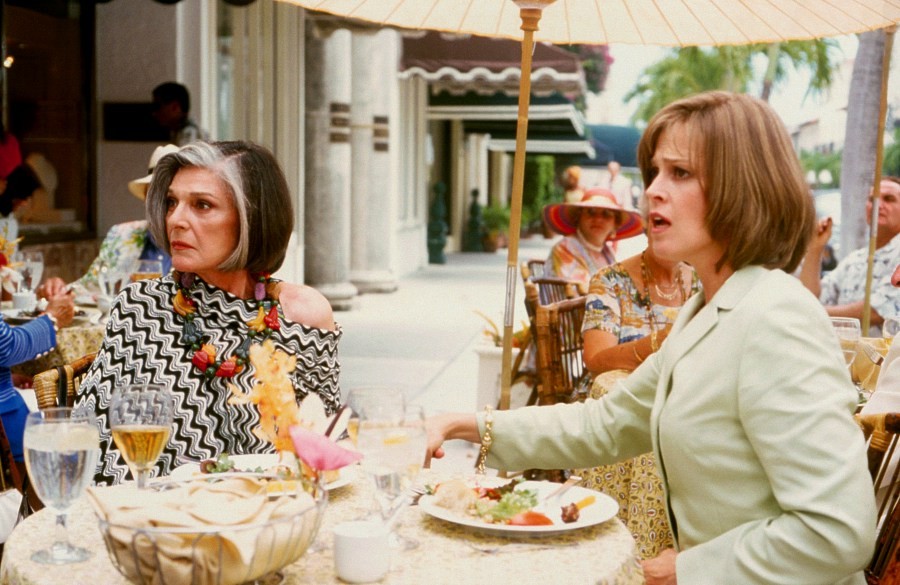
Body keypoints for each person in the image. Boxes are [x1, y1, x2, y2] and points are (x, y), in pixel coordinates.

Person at [426, 91, 875, 584]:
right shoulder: (705, 310)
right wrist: (466, 424)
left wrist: (692, 568)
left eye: (679, 173)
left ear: (742, 188)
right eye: (654, 172)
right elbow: (605, 424)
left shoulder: (776, 317)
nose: (652, 191)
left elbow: (838, 532)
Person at [75, 140, 341, 486]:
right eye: (172, 202)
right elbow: (94, 445)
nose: (175, 219)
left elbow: (328, 445)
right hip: (163, 511)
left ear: (252, 218)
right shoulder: (141, 307)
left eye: (202, 205)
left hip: (273, 508)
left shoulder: (303, 316)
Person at [578, 235, 701, 559]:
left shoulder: (703, 282)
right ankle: (634, 554)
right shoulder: (610, 280)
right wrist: (658, 343)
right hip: (623, 405)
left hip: (688, 404)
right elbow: (595, 359)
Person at [39, 145, 179, 300]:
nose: (159, 204)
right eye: (154, 194)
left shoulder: (194, 245)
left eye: (170, 199)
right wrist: (58, 289)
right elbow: (88, 288)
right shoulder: (122, 235)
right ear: (145, 198)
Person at [801, 178, 900, 336]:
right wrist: (815, 248)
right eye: (872, 199)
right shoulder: (855, 259)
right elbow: (809, 297)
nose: (878, 205)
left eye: (889, 199)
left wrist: (810, 311)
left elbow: (877, 311)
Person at [542, 187, 642, 286]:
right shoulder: (565, 248)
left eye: (606, 214)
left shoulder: (607, 252)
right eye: (591, 212)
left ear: (615, 224)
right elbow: (580, 291)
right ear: (578, 218)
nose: (598, 219)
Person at [151, 82, 209, 147]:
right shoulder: (180, 132)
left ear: (175, 107)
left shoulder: (189, 135)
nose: (154, 113)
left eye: (157, 106)